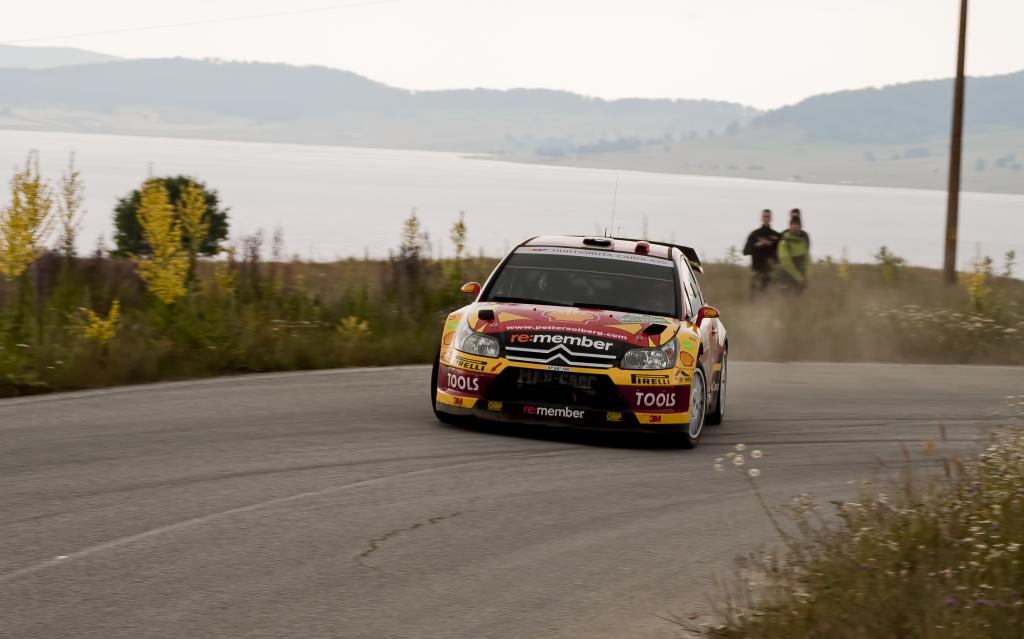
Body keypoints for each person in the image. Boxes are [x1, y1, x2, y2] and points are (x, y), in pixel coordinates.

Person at [742, 209, 781, 293]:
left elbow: (781, 253)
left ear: (771, 218)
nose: (766, 218)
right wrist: (757, 245)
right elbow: (745, 251)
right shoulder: (754, 234)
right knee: (755, 297)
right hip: (757, 271)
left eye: (768, 217)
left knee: (770, 296)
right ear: (761, 218)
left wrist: (771, 244)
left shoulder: (776, 235)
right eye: (764, 216)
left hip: (771, 273)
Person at [777, 210, 811, 292]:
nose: (795, 227)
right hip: (787, 278)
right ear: (789, 226)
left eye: (797, 225)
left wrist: (807, 276)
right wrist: (798, 277)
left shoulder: (803, 240)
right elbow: (786, 262)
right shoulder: (784, 242)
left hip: (801, 280)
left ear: (801, 226)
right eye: (793, 225)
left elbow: (807, 259)